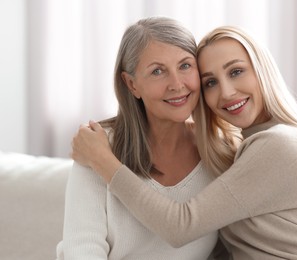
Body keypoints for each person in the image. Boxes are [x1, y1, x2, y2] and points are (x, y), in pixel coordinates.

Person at [72, 26, 297, 259]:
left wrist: (103, 161)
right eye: (211, 82)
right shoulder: (232, 151)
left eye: (236, 72)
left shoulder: (280, 144)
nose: (226, 92)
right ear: (131, 84)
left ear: (262, 69)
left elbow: (180, 227)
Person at [56, 17, 230, 260]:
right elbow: (82, 249)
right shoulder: (97, 147)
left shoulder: (221, 152)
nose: (176, 84)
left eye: (185, 65)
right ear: (132, 84)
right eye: (157, 71)